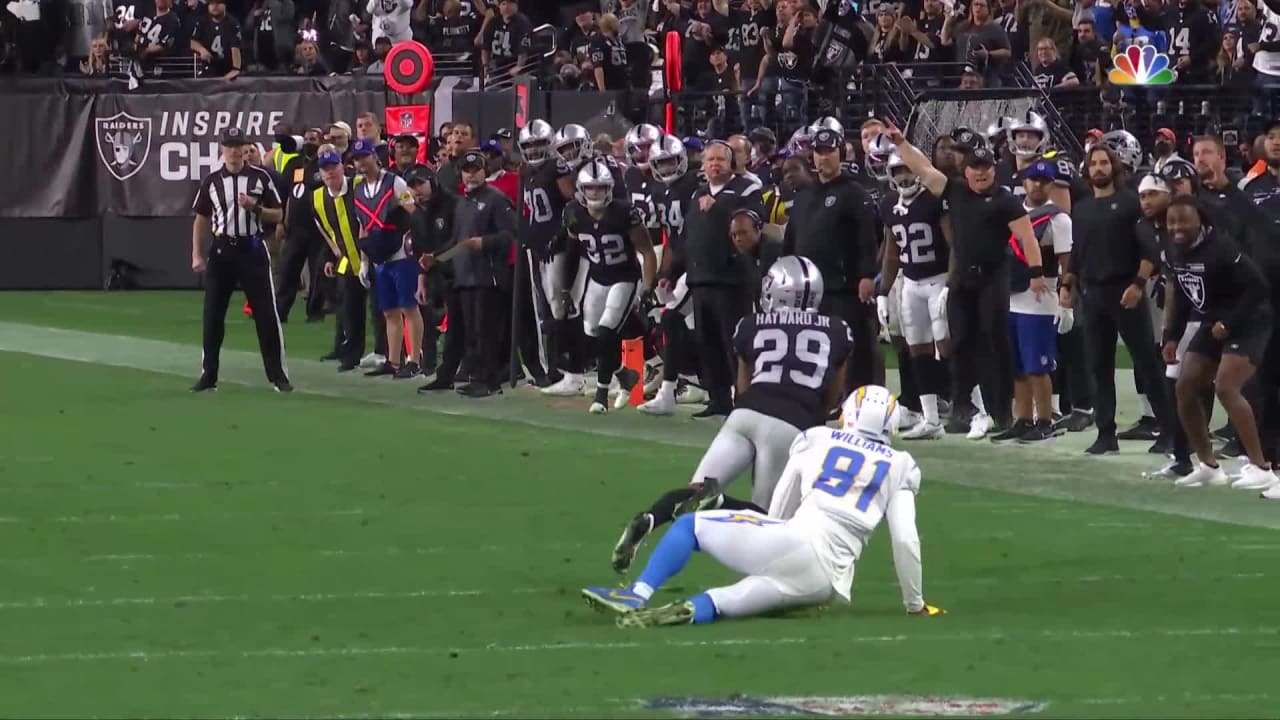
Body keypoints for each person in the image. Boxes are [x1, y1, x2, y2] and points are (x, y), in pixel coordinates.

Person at [581, 385, 944, 626]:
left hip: (795, 541)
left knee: (690, 526)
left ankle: (637, 594)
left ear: (848, 413)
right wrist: (915, 604)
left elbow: (780, 509)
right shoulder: (901, 464)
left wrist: (766, 531)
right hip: (827, 583)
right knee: (723, 601)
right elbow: (905, 540)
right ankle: (687, 612)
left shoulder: (818, 438)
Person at [608, 256, 851, 573]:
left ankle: (651, 518)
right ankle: (722, 506)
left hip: (745, 415)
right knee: (767, 519)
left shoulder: (750, 324)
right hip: (791, 422)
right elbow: (832, 398)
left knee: (696, 490)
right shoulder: (837, 330)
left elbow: (743, 385)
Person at [884, 122, 1045, 439]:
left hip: (993, 279)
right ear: (967, 171)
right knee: (959, 344)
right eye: (975, 167)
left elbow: (1027, 238)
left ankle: (1000, 413)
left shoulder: (1005, 200)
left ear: (993, 171)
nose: (980, 173)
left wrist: (1037, 272)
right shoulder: (954, 190)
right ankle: (967, 409)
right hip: (961, 280)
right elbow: (925, 170)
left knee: (993, 344)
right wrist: (901, 144)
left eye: (985, 168)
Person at [1161, 197, 1278, 493]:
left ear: (1201, 220)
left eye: (1183, 220)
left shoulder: (1222, 248)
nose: (1176, 227)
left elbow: (1258, 287)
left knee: (1226, 386)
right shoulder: (1175, 251)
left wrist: (1231, 323)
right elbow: (1186, 298)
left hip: (1250, 320)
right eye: (1172, 221)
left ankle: (1261, 467)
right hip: (1214, 323)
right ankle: (1209, 466)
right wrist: (1172, 336)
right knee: (1185, 386)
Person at [1065, 145, 1173, 456]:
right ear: (1087, 170)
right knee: (1098, 366)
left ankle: (1168, 430)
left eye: (1103, 163)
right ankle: (1105, 434)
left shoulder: (1129, 204)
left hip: (1125, 291)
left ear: (1113, 167)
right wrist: (1067, 282)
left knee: (1146, 362)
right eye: (1093, 163)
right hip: (1092, 293)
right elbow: (1077, 250)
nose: (1099, 168)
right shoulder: (1082, 208)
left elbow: (1148, 250)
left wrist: (1138, 284)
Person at [190, 130, 291, 393]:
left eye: (239, 146)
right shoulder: (212, 181)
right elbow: (201, 217)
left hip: (252, 249)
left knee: (266, 314)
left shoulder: (260, 178)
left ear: (246, 149)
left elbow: (278, 214)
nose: (235, 152)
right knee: (212, 314)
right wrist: (196, 253)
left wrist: (255, 208)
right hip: (222, 250)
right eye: (230, 146)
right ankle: (208, 374)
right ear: (222, 149)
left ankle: (277, 374)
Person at [783, 127, 879, 395]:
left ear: (840, 154)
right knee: (813, 345)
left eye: (828, 152)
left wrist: (867, 275)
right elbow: (792, 238)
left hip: (845, 286)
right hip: (810, 289)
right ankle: (822, 397)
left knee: (851, 345)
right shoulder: (803, 195)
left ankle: (857, 398)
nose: (823, 158)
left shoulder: (854, 193)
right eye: (818, 152)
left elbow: (866, 239)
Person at [421, 148, 519, 398]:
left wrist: (484, 243)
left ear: (485, 172)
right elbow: (458, 240)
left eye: (476, 170)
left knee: (485, 331)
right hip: (464, 276)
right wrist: (437, 257)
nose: (472, 175)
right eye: (467, 171)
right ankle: (453, 377)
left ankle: (489, 381)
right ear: (460, 174)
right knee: (467, 331)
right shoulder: (462, 203)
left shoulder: (496, 199)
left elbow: (511, 235)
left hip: (488, 277)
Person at [988, 159, 1073, 444]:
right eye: (1033, 180)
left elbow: (1066, 261)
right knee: (1018, 365)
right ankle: (1023, 419)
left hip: (1040, 297)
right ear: (1024, 182)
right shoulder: (1012, 213)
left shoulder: (1057, 219)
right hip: (1011, 294)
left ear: (1050, 185)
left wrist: (1065, 297)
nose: (1037, 185)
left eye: (1044, 181)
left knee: (1038, 364)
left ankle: (1045, 419)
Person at [679, 140, 765, 418]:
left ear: (732, 163)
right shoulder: (697, 194)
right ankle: (718, 398)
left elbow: (754, 222)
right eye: (710, 160)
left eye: (721, 159)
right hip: (701, 277)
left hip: (732, 279)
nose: (715, 164)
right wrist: (672, 272)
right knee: (707, 342)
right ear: (703, 164)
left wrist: (721, 206)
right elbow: (687, 237)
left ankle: (744, 400)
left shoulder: (747, 188)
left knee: (735, 344)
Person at [564, 158, 657, 414]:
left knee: (607, 333)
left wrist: (647, 287)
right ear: (582, 190)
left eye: (602, 188)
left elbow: (647, 251)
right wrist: (566, 288)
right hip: (596, 278)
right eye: (591, 188)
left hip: (624, 278)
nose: (596, 193)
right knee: (593, 335)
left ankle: (601, 395)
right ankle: (625, 375)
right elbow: (573, 252)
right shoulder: (573, 212)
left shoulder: (623, 212)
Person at [876, 150, 951, 440]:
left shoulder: (933, 199)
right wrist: (884, 291)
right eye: (898, 171)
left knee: (946, 344)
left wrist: (951, 283)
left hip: (938, 278)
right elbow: (892, 251)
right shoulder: (888, 205)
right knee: (916, 346)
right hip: (910, 283)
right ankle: (930, 418)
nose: (904, 176)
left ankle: (970, 408)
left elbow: (952, 242)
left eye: (908, 169)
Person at [641, 134, 708, 415]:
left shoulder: (696, 185)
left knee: (671, 319)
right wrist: (667, 270)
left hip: (702, 266)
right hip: (685, 266)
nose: (667, 168)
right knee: (678, 323)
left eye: (671, 161)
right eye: (662, 163)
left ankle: (683, 384)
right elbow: (673, 237)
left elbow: (696, 236)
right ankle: (693, 381)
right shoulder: (662, 192)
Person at [350, 137, 423, 379]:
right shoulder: (359, 189)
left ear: (375, 156)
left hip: (400, 251)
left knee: (408, 307)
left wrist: (415, 244)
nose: (362, 163)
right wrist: (364, 260)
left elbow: (414, 213)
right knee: (389, 311)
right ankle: (393, 360)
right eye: (358, 159)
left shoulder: (395, 183)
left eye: (365, 157)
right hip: (380, 255)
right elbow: (363, 227)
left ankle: (414, 360)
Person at [311, 146, 368, 372]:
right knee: (347, 306)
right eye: (325, 169)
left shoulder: (358, 186)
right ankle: (349, 351)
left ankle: (390, 354)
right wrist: (331, 255)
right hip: (346, 257)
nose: (330, 172)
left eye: (333, 167)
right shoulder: (317, 197)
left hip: (372, 256)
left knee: (383, 309)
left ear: (342, 166)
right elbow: (325, 231)